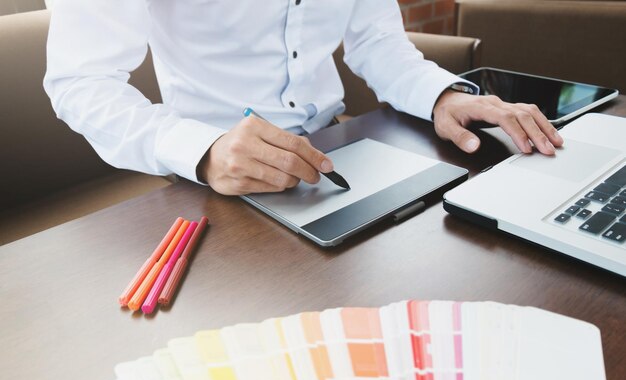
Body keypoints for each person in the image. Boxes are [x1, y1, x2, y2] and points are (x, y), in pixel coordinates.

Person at [44, 0, 563, 196]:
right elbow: (82, 81)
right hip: (217, 181)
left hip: (342, 149)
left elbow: (376, 40)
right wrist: (202, 150)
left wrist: (441, 95)